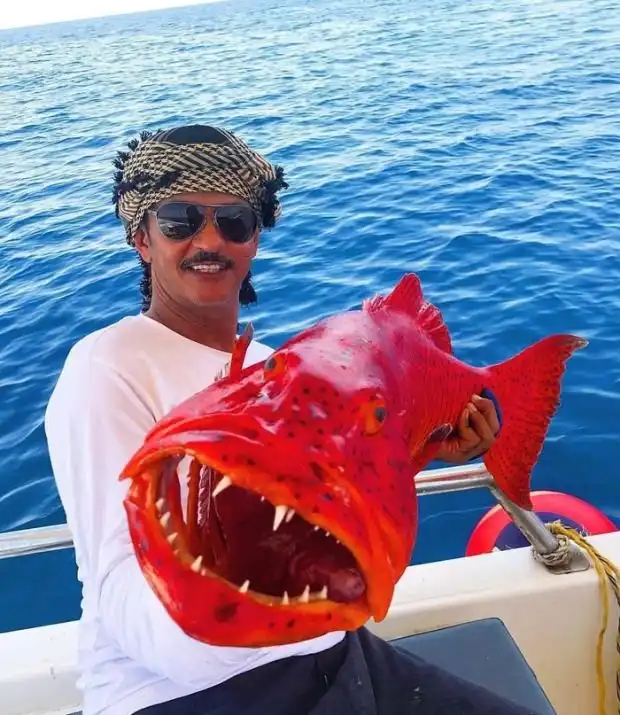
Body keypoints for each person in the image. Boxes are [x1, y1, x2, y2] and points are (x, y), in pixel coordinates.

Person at [45, 124, 532, 715]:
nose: (210, 240)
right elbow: (124, 592)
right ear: (141, 238)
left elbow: (327, 506)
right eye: (179, 221)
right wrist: (259, 610)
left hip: (333, 652)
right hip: (184, 695)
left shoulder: (273, 363)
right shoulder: (106, 367)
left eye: (234, 222)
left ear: (255, 239)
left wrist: (414, 451)